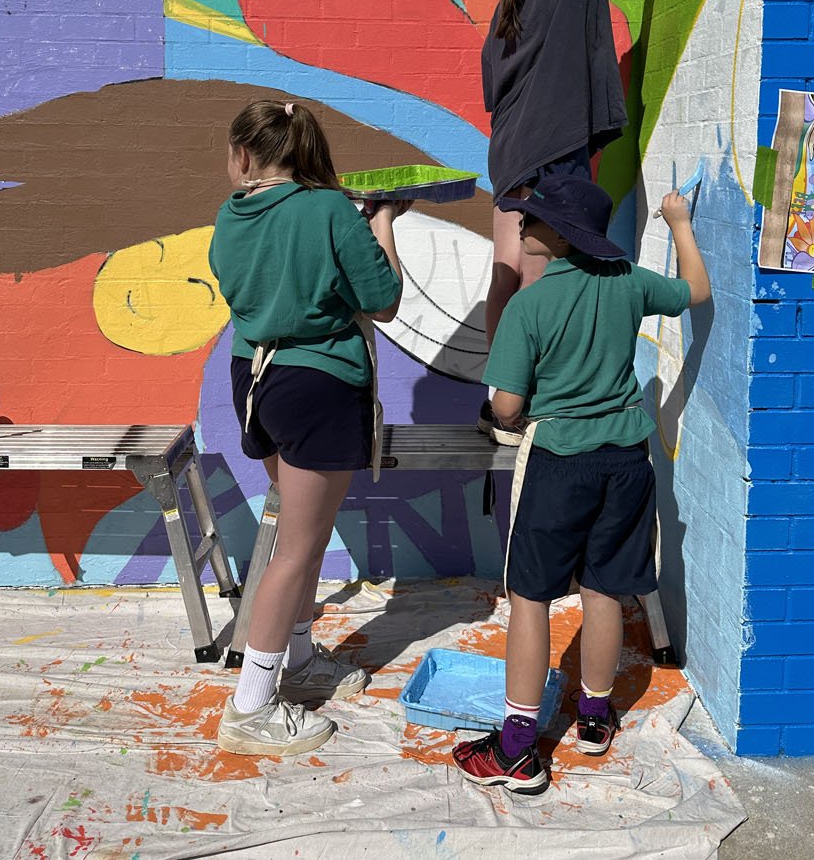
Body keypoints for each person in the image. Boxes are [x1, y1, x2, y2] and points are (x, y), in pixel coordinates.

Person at [452, 175, 711, 795]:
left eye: (532, 219)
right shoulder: (628, 282)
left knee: (531, 598)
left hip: (559, 464)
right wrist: (679, 222)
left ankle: (517, 748)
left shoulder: (528, 305)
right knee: (603, 591)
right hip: (626, 463)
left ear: (560, 236)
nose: (521, 225)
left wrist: (511, 409)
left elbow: (508, 407)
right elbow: (696, 291)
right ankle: (594, 716)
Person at [208, 99, 410, 757]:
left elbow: (259, 286)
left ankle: (295, 658)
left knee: (297, 538)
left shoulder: (231, 214)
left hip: (254, 380)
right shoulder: (326, 210)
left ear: (244, 154)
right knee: (297, 549)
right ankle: (251, 706)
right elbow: (381, 300)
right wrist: (379, 222)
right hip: (317, 383)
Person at [479, 0, 668, 443]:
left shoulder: (506, 12)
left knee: (507, 273)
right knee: (540, 281)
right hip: (552, 154)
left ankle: (497, 399)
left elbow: (495, 100)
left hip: (510, 157)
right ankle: (521, 406)